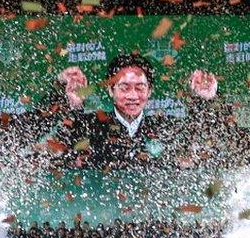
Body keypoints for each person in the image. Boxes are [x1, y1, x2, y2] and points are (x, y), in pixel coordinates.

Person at [53, 53, 219, 169]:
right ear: (111, 90)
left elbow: (203, 136)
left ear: (150, 91)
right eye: (124, 88)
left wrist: (204, 100)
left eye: (140, 87)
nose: (133, 96)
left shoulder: (165, 128)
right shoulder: (91, 125)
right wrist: (67, 98)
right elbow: (61, 139)